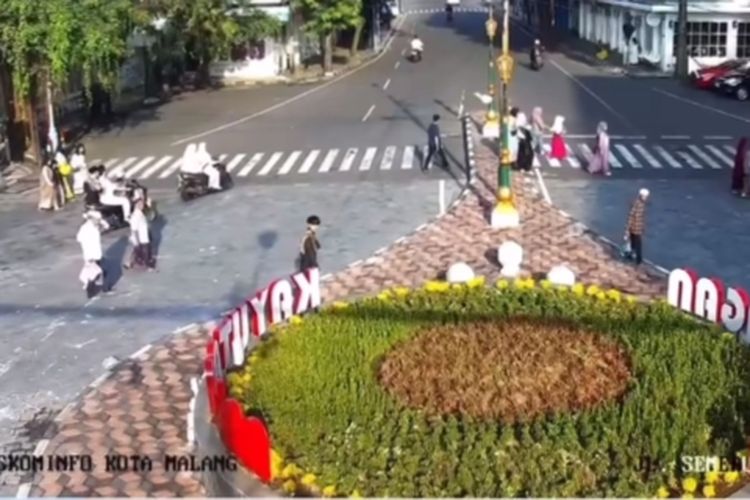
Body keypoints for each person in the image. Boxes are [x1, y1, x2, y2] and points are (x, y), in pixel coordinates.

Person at [77, 210, 110, 296]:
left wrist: (101, 222)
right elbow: (79, 239)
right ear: (91, 219)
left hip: (97, 253)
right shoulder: (85, 228)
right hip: (90, 255)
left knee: (97, 272)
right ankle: (93, 291)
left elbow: (106, 226)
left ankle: (103, 288)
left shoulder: (95, 226)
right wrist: (88, 255)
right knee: (94, 274)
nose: (98, 221)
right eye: (97, 219)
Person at [124, 199, 155, 270]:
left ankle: (129, 263)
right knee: (144, 252)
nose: (142, 205)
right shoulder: (135, 216)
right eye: (140, 204)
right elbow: (134, 230)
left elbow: (151, 217)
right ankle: (148, 266)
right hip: (141, 237)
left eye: (142, 204)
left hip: (144, 235)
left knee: (138, 251)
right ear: (136, 205)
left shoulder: (140, 213)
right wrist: (137, 241)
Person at [623, 188, 649, 265]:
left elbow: (639, 218)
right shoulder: (638, 204)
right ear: (642, 196)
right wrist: (627, 230)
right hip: (635, 229)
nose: (646, 198)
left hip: (636, 229)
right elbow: (631, 217)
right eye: (645, 196)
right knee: (638, 246)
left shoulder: (638, 204)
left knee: (633, 245)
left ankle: (631, 257)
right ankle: (638, 261)